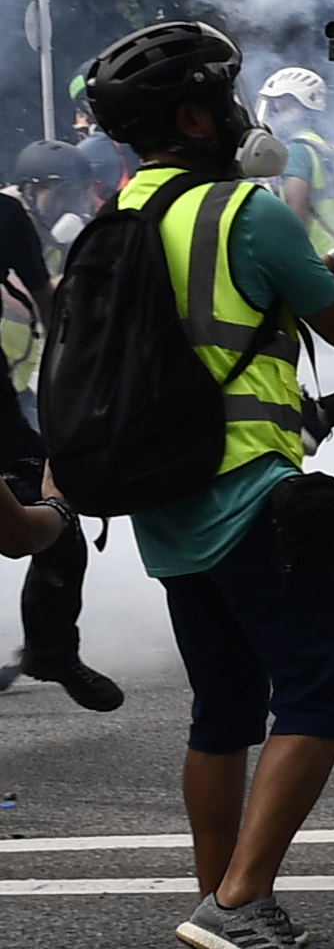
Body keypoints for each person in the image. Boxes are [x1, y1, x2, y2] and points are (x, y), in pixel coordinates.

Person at [81, 20, 334, 949]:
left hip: (166, 508)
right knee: (322, 694)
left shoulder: (123, 216)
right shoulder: (246, 207)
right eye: (223, 97)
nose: (237, 113)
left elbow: (231, 297)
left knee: (221, 710)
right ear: (191, 113)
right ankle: (238, 899)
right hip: (252, 497)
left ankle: (218, 896)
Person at [0, 138, 117, 708]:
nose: (71, 203)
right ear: (36, 187)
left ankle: (50, 649)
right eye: (65, 192)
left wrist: (72, 386)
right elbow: (35, 307)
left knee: (57, 514)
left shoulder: (8, 220)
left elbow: (47, 307)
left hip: (5, 405)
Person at [255, 68, 334, 259]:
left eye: (278, 102)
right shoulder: (317, 143)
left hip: (318, 257)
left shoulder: (297, 150)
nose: (275, 109)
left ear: (289, 105)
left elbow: (296, 213)